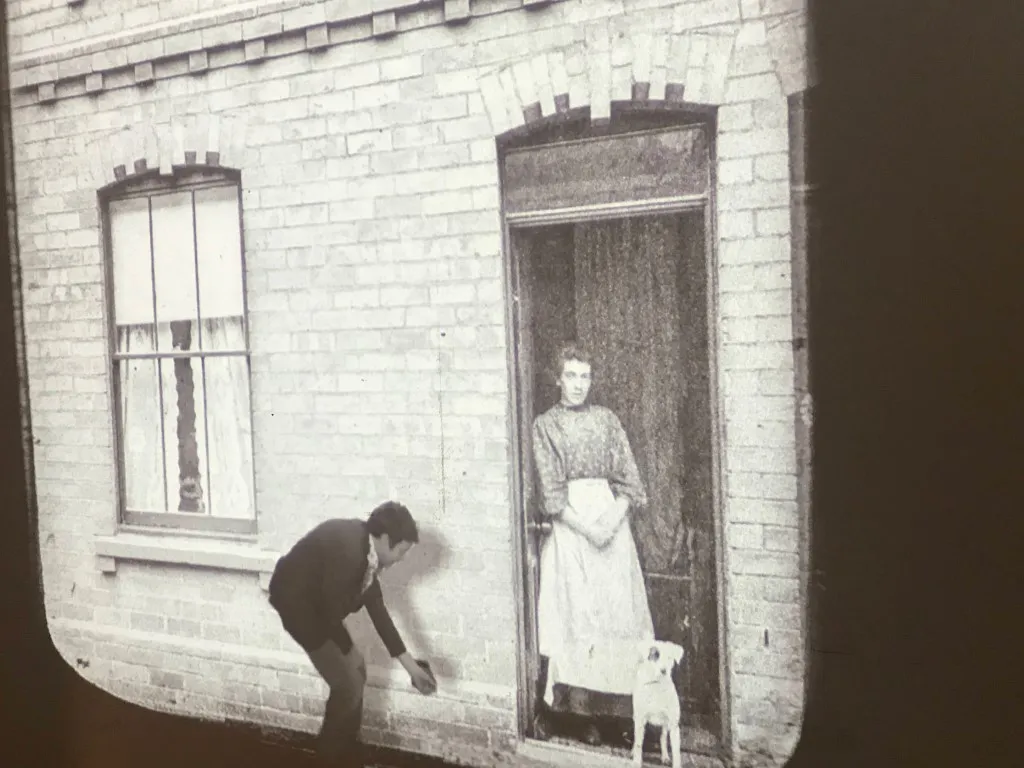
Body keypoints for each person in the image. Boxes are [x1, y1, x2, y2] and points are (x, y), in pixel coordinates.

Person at [531, 342, 655, 746]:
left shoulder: (607, 421)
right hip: (572, 529)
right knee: (577, 616)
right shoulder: (546, 425)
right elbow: (551, 494)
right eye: (571, 375)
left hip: (612, 527)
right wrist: (587, 529)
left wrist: (611, 522)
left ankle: (618, 714)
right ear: (558, 379)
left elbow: (629, 481)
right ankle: (580, 714)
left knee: (617, 615)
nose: (578, 384)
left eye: (585, 376)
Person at [268, 501, 437, 766]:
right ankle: (329, 759)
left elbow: (378, 612)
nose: (401, 558)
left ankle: (347, 750)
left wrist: (411, 667)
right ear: (385, 539)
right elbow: (332, 612)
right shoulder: (349, 554)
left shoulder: (365, 549)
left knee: (357, 669)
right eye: (402, 551)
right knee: (347, 684)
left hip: (321, 608)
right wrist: (346, 646)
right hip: (298, 607)